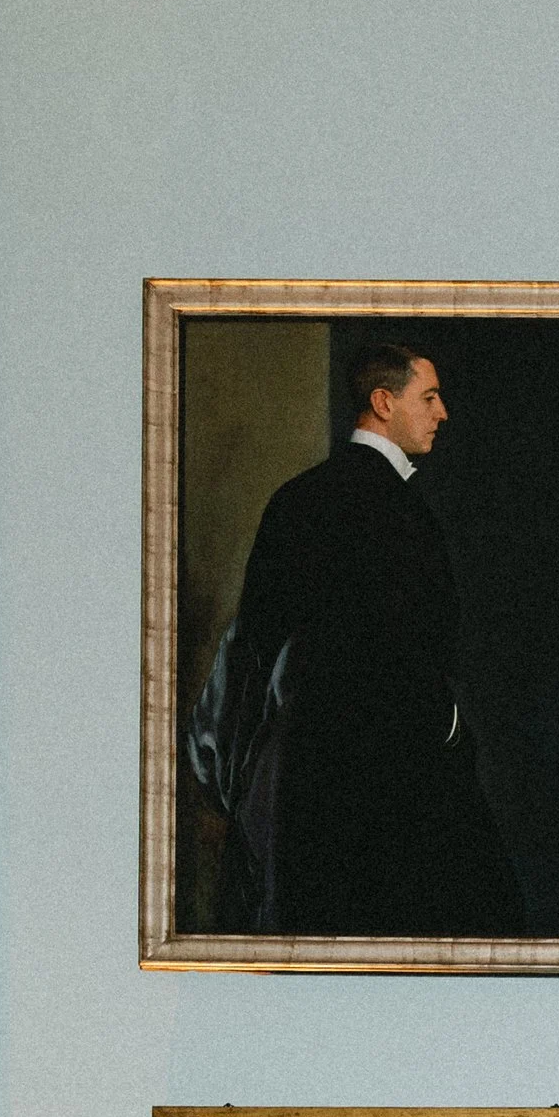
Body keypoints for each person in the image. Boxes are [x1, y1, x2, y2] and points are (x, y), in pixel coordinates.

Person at [204, 340, 525, 940]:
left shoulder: (294, 499)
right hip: (404, 771)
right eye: (428, 397)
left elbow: (258, 632)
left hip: (311, 774)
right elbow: (433, 641)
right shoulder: (403, 511)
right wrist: (448, 723)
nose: (442, 412)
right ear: (383, 402)